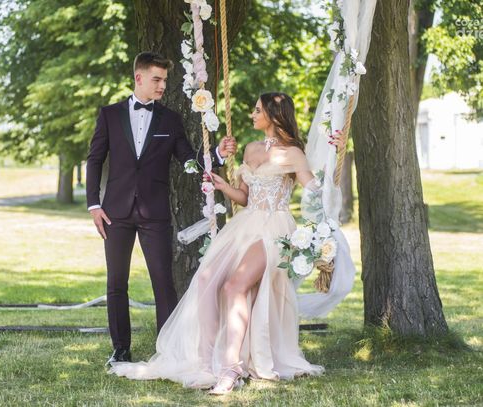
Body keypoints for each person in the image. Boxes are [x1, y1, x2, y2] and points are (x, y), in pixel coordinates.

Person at [109, 92, 347, 394]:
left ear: (274, 115)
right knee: (206, 278)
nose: (252, 114)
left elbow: (316, 191)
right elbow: (245, 197)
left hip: (275, 228)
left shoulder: (293, 154)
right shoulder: (251, 149)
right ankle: (208, 361)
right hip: (246, 224)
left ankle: (231, 367)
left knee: (234, 286)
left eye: (257, 110)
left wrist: (335, 153)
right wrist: (223, 186)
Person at [86, 51, 237, 365]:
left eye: (165, 80)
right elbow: (95, 160)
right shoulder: (109, 115)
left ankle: (168, 351)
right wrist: (93, 205)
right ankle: (120, 349)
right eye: (157, 79)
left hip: (155, 213)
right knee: (116, 283)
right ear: (138, 77)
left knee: (163, 282)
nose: (162, 86)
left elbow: (189, 162)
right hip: (114, 212)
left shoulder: (170, 119)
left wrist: (218, 156)